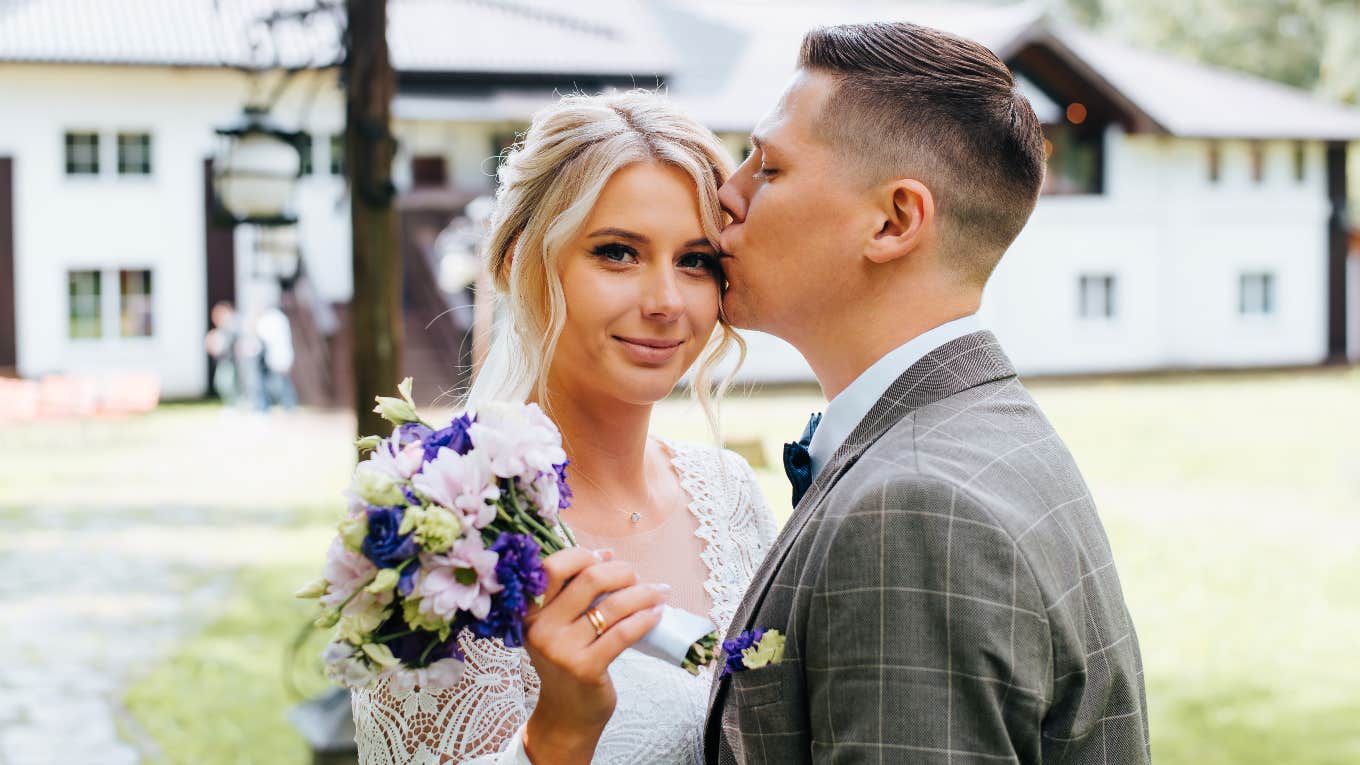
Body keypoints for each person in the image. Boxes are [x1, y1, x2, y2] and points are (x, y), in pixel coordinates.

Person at [703, 22, 1150, 764]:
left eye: (770, 168)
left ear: (894, 220)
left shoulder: (914, 507)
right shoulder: (996, 431)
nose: (728, 192)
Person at [350, 91, 779, 765]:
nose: (666, 301)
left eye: (695, 260)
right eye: (617, 252)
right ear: (515, 261)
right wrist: (556, 736)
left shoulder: (728, 494)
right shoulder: (438, 534)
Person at [255, 305, 298, 411]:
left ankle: (283, 405)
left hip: (273, 355)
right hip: (276, 355)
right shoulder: (280, 318)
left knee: (280, 382)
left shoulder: (269, 320)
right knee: (282, 381)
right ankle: (288, 405)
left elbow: (263, 338)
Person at [204, 301, 239, 407]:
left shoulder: (232, 330)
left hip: (229, 362)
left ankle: (233, 405)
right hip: (222, 362)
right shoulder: (220, 332)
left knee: (227, 384)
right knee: (221, 383)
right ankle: (231, 405)